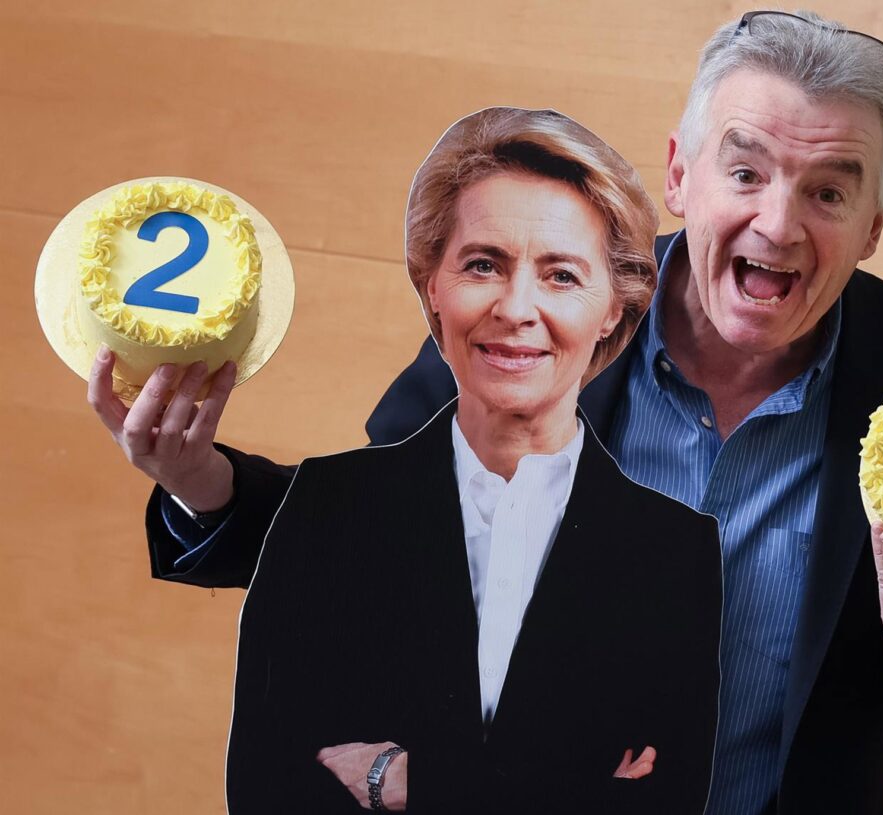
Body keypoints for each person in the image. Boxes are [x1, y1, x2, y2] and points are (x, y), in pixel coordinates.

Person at [91, 10, 883, 815]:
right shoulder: (544, 306)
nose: (778, 224)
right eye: (746, 173)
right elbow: (365, 534)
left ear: (872, 226)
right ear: (679, 176)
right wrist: (200, 485)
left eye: (828, 190)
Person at [89, 108, 722, 813]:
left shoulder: (675, 551)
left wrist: (401, 777)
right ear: (432, 287)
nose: (516, 307)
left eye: (561, 276)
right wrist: (565, 780)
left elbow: (659, 801)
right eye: (483, 265)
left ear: (616, 307)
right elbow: (273, 789)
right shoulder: (327, 508)